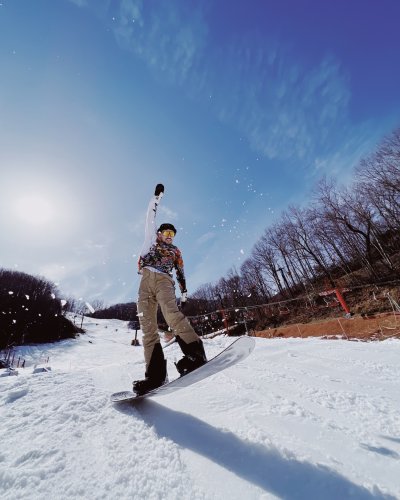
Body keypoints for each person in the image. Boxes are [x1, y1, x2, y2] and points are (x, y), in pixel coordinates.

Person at [133, 183, 207, 395]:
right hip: (145, 281)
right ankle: (155, 375)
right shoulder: (150, 241)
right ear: (158, 232)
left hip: (165, 281)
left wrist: (184, 293)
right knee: (147, 329)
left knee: (171, 314)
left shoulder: (175, 251)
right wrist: (156, 199)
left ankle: (195, 355)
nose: (169, 235)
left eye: (172, 233)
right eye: (166, 231)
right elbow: (149, 218)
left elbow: (181, 272)